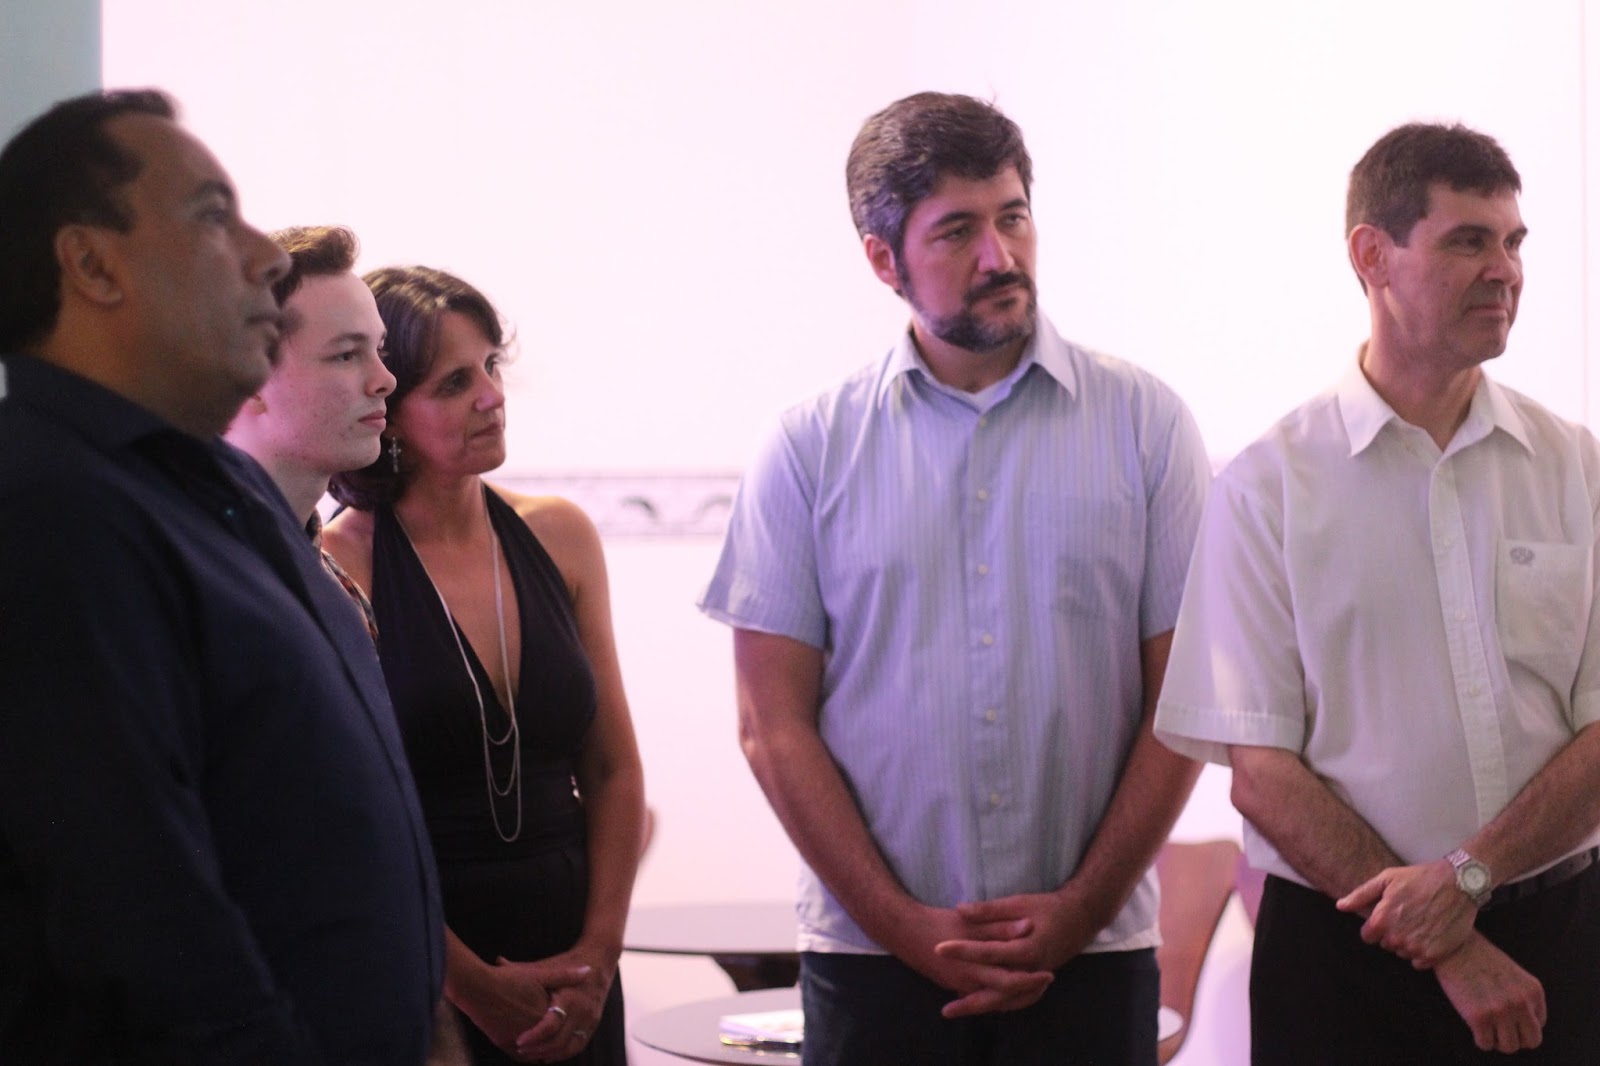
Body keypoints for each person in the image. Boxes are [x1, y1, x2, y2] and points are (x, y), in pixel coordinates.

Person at [698, 91, 1211, 1065]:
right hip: (871, 962)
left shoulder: (1146, 425)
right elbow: (771, 724)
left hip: (1092, 957)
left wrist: (1080, 909)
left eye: (1013, 217)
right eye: (957, 231)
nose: (999, 256)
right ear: (882, 259)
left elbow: (1181, 699)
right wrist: (901, 924)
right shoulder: (808, 446)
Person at [0, 90, 443, 1064]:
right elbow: (135, 910)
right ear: (92, 265)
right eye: (212, 214)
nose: (265, 257)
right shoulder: (48, 508)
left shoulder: (212, 490)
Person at [1154, 122, 1600, 1063]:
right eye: (1469, 241)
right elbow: (1261, 772)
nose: (1506, 271)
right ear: (1372, 256)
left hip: (1557, 938)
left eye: (1514, 242)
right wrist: (1451, 940)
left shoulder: (1575, 468)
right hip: (1339, 960)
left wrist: (1467, 880)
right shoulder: (1268, 488)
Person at [323, 265, 645, 1066]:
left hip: (573, 945)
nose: (492, 397)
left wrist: (599, 957)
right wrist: (468, 986)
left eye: (492, 367)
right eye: (454, 383)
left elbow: (613, 769)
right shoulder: (338, 565)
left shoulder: (560, 534)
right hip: (426, 951)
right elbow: (348, 830)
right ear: (389, 409)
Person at [224, 225, 470, 1065]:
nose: (384, 379)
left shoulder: (323, 572)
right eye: (346, 355)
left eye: (379, 351)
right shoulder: (212, 579)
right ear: (249, 372)